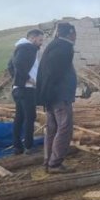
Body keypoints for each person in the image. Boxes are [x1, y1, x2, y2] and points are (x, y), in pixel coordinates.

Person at [36, 22, 77, 173]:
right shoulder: (64, 48)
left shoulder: (53, 46)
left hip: (50, 96)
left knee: (52, 129)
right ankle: (55, 163)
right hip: (59, 96)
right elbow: (55, 74)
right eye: (74, 33)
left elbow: (46, 73)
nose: (75, 36)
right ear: (71, 33)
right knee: (64, 128)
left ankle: (48, 161)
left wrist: (45, 96)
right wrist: (59, 94)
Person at [7, 29, 44, 154]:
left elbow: (10, 66)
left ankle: (17, 146)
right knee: (30, 117)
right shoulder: (27, 48)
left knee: (20, 117)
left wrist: (17, 80)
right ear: (32, 38)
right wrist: (28, 79)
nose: (41, 43)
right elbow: (17, 64)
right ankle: (28, 146)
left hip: (19, 88)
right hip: (26, 89)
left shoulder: (20, 48)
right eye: (40, 40)